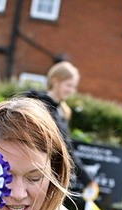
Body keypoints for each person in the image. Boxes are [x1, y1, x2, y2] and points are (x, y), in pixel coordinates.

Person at [23, 61, 98, 195]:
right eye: (68, 85)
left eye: (73, 87)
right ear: (55, 81)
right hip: (34, 171)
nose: (71, 90)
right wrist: (87, 180)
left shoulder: (61, 110)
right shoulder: (42, 107)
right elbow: (65, 148)